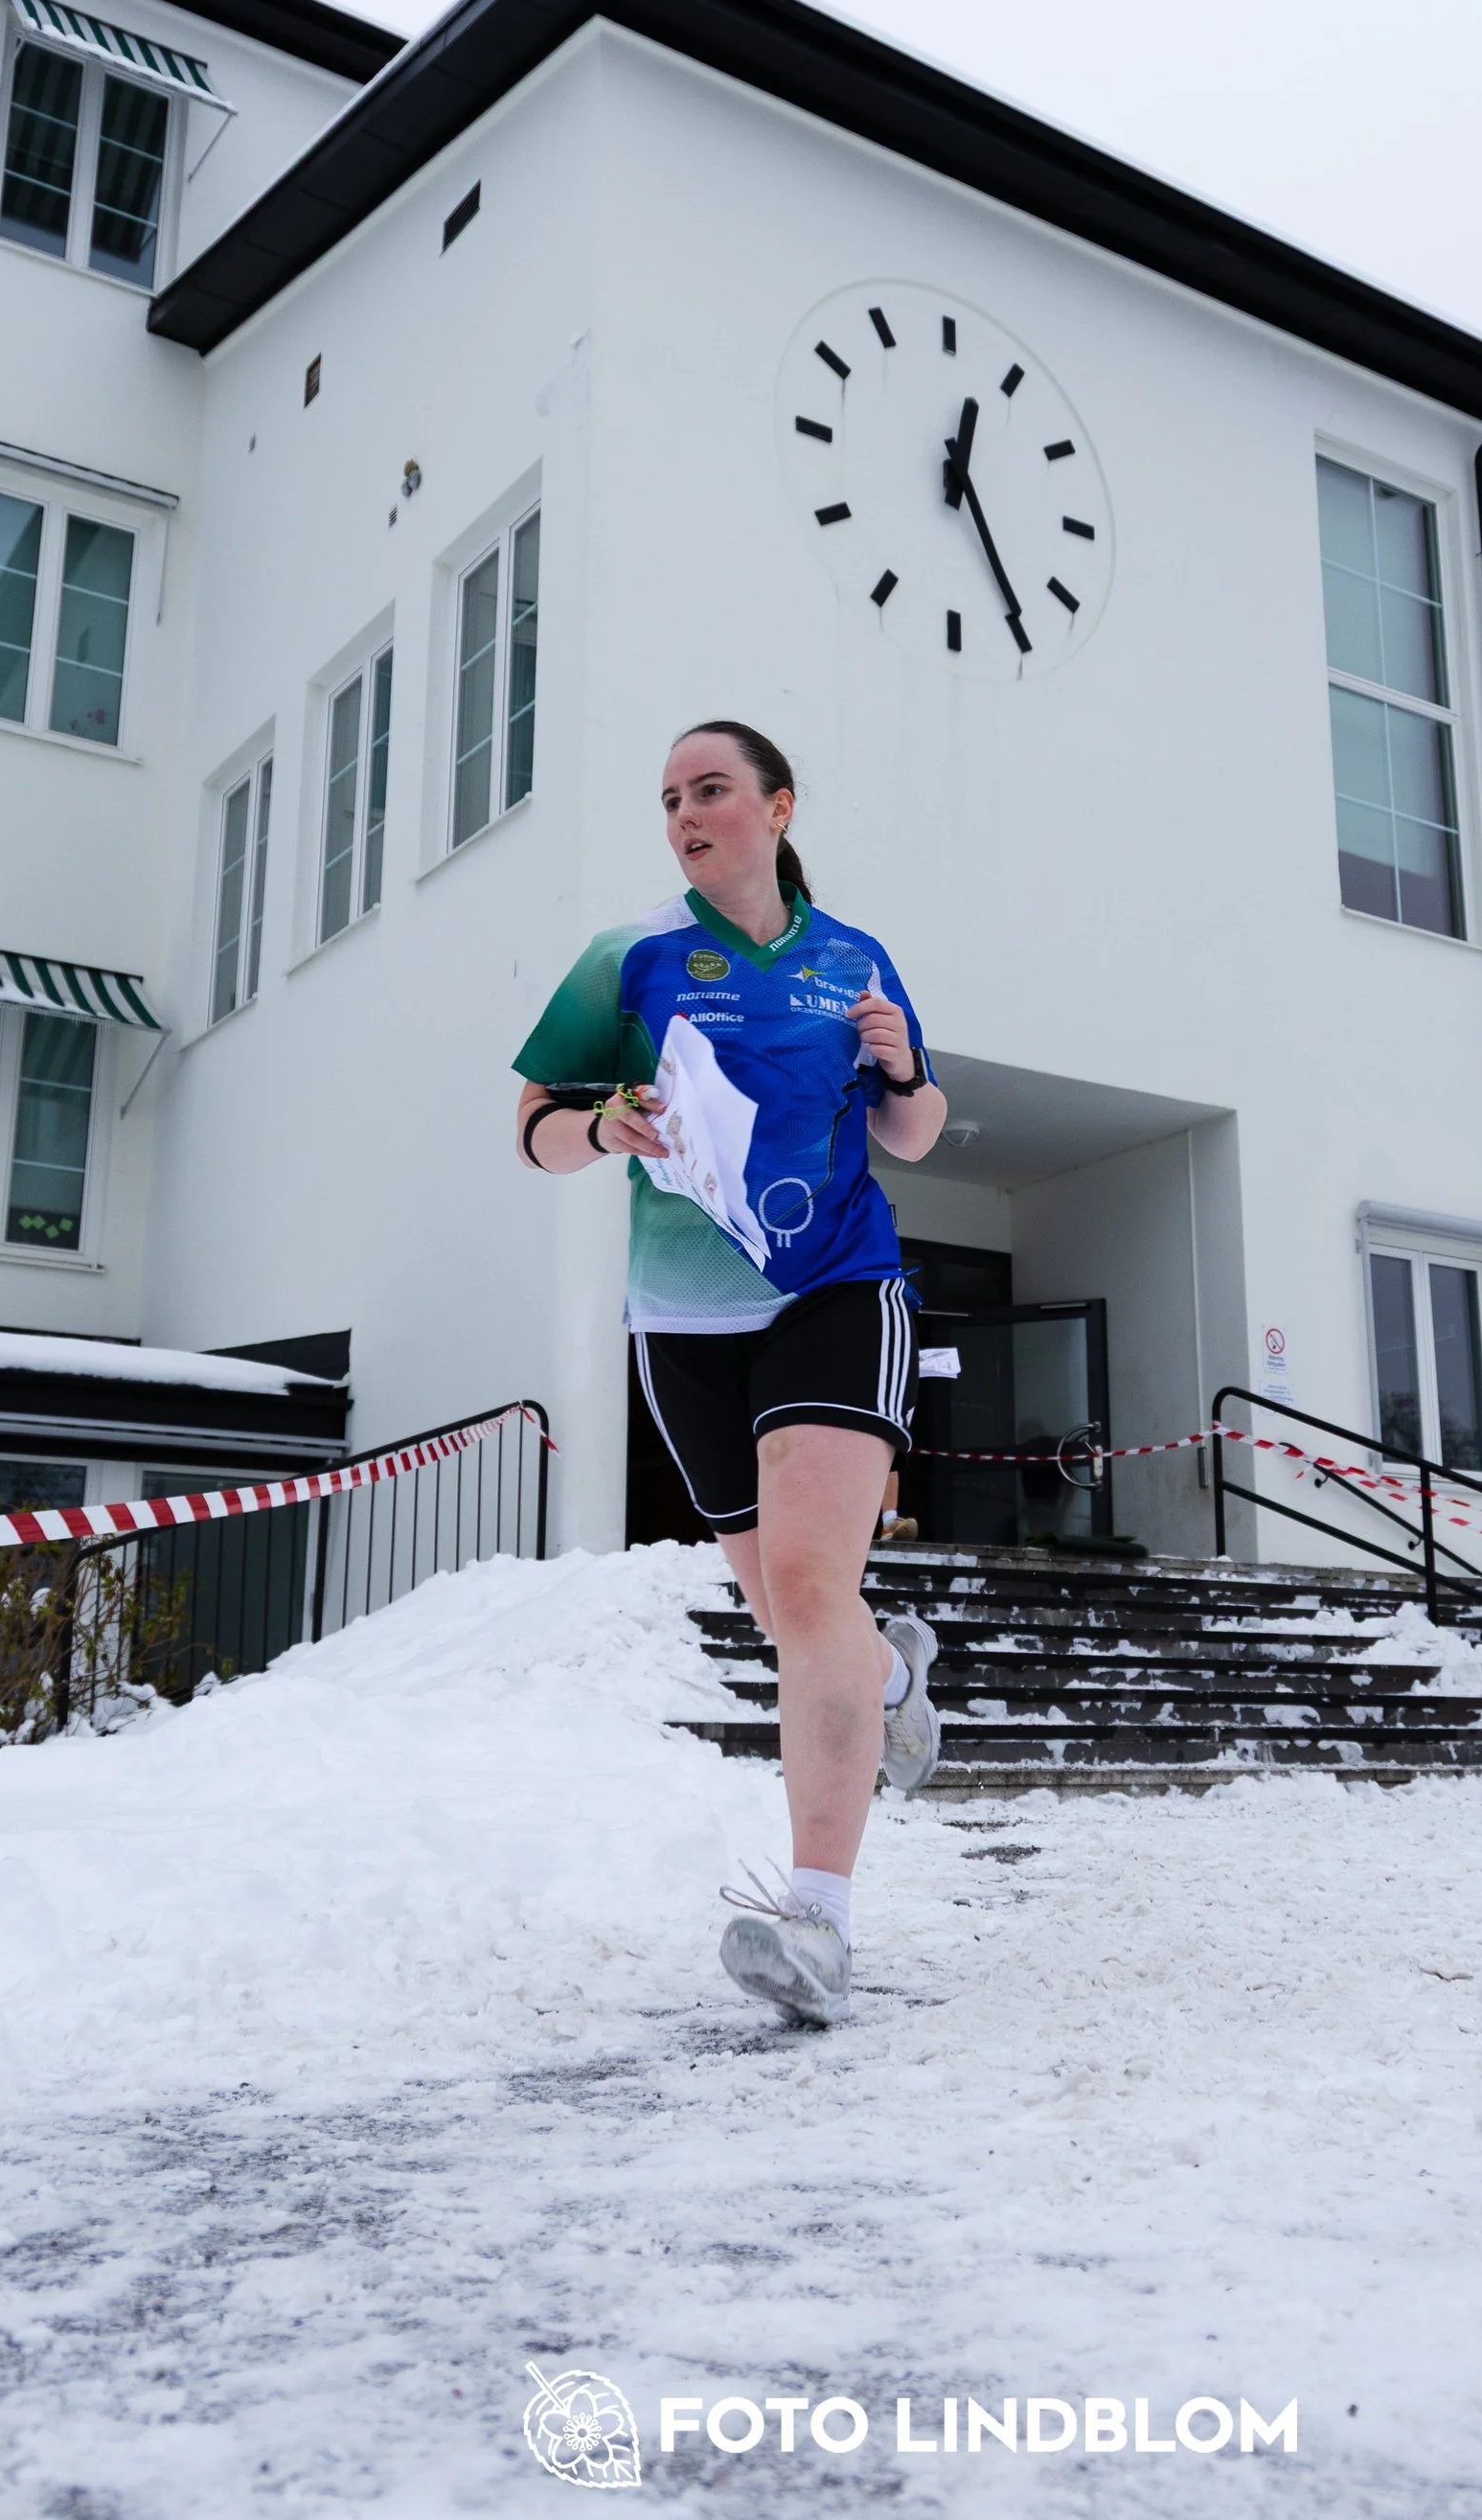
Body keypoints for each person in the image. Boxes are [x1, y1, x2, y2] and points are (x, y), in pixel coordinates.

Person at [513, 721, 950, 2026]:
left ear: (777, 806)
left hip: (836, 1286)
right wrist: (601, 1124)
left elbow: (917, 1134)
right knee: (785, 1616)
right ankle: (887, 1677)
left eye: (711, 790)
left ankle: (816, 1921)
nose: (687, 814)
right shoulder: (629, 958)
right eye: (669, 799)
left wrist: (902, 1066)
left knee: (816, 1583)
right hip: (685, 1316)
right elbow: (534, 1131)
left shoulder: (853, 958)